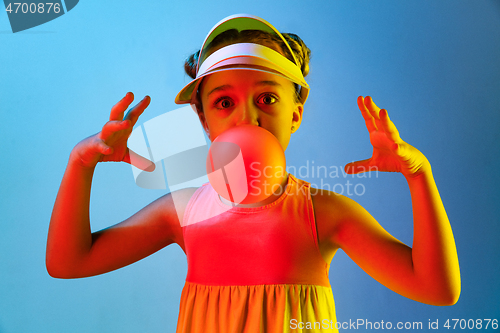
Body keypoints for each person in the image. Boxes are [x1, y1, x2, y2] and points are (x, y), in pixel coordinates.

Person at [46, 14, 461, 333]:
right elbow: (68, 263)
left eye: (267, 98)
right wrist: (80, 164)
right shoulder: (183, 212)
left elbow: (436, 289)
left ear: (295, 114)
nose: (248, 117)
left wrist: (418, 175)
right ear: (203, 119)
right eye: (224, 102)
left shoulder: (323, 212)